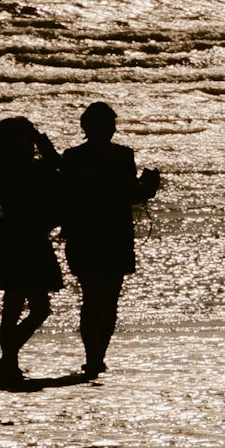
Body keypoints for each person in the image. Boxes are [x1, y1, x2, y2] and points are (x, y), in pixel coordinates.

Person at [50, 100, 161, 378]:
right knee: (102, 298)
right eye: (106, 124)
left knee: (100, 298)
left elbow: (71, 196)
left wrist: (147, 189)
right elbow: (128, 193)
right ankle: (95, 356)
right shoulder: (115, 156)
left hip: (95, 233)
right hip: (105, 233)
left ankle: (96, 356)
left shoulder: (76, 157)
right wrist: (147, 188)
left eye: (110, 124)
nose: (109, 129)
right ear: (90, 126)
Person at [0, 115, 63, 382]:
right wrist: (43, 142)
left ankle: (9, 360)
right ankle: (8, 357)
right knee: (37, 307)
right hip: (29, 237)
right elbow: (57, 169)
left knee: (13, 303)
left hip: (14, 234)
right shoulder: (26, 169)